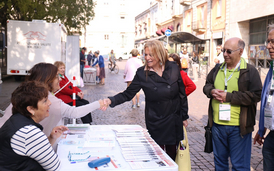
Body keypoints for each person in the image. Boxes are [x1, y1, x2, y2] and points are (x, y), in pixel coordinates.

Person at [104, 40, 189, 160]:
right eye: (145, 54)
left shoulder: (173, 67)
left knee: (172, 155)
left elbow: (182, 93)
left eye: (151, 55)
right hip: (156, 120)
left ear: (159, 54)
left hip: (173, 119)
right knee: (157, 156)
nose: (147, 58)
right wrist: (110, 100)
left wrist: (184, 116)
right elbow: (128, 94)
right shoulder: (141, 73)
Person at [0, 63, 106, 149]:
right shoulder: (46, 99)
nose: (60, 79)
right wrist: (98, 104)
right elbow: (74, 113)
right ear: (48, 79)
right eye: (57, 76)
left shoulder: (26, 93)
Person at [203, 37, 262, 170]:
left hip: (239, 128)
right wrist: (211, 91)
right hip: (217, 126)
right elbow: (206, 85)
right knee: (220, 165)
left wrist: (229, 97)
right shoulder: (217, 68)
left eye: (229, 51)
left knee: (239, 166)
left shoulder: (249, 71)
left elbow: (256, 95)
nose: (224, 54)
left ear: (240, 52)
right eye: (224, 50)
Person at [0, 81, 68, 170]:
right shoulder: (28, 132)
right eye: (45, 101)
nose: (50, 103)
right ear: (31, 109)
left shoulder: (16, 120)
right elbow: (56, 167)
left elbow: (33, 150)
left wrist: (51, 138)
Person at [253, 24, 274, 171]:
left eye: (273, 41)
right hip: (272, 134)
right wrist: (262, 129)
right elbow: (268, 100)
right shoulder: (272, 68)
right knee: (267, 151)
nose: (268, 46)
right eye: (268, 41)